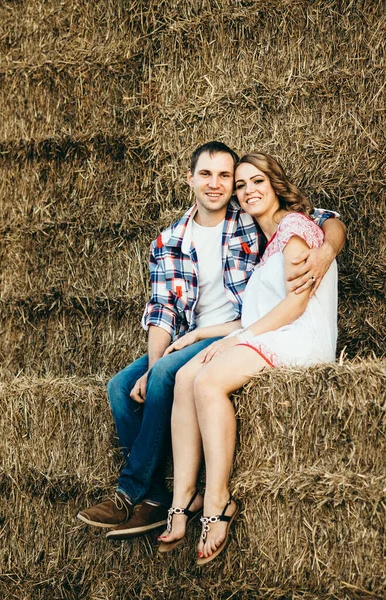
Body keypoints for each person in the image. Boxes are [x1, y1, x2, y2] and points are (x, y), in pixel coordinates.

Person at [77, 143, 346, 540]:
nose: (219, 185)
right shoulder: (169, 241)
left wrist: (327, 251)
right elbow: (161, 311)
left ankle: (128, 492)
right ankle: (154, 498)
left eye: (227, 176)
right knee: (120, 387)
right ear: (190, 179)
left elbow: (324, 219)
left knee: (173, 373)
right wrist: (151, 369)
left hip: (238, 329)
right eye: (207, 175)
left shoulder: (250, 215)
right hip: (197, 334)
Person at [157, 152, 339, 566]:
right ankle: (182, 499)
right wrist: (203, 333)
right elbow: (259, 312)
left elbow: (294, 307)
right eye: (241, 185)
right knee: (186, 377)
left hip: (300, 338)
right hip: (275, 331)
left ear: (276, 184)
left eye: (257, 181)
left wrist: (241, 338)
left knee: (207, 382)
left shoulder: (295, 228)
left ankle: (218, 502)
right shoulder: (269, 241)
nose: (247, 190)